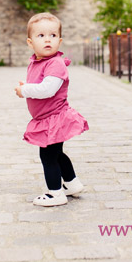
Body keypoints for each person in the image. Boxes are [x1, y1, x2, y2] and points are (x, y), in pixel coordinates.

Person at [15, 12, 89, 207]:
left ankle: (55, 193)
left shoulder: (56, 64)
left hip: (54, 118)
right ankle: (72, 184)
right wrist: (28, 85)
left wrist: (25, 90)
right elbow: (40, 82)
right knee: (56, 153)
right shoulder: (39, 62)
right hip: (48, 118)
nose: (47, 39)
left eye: (53, 35)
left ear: (60, 40)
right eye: (41, 36)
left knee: (47, 155)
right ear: (30, 43)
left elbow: (48, 89)